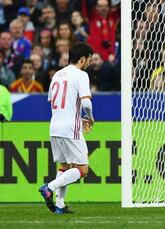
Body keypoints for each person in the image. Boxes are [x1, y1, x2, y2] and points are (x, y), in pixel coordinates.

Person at [38, 42, 94, 214]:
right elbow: (85, 102)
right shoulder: (81, 75)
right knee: (82, 169)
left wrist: (78, 116)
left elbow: (54, 102)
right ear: (82, 59)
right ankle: (49, 187)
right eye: (89, 60)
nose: (90, 64)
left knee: (64, 167)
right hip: (71, 128)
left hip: (55, 126)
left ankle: (60, 205)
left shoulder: (56, 75)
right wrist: (90, 118)